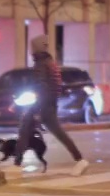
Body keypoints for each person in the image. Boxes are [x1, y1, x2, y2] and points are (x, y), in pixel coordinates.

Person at [16, 35, 89, 176]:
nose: (31, 50)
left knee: (25, 128)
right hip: (50, 103)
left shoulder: (41, 64)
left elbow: (41, 86)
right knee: (54, 132)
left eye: (33, 47)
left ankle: (17, 164)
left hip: (43, 104)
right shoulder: (50, 62)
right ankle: (79, 160)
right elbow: (54, 86)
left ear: (37, 48)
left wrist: (37, 108)